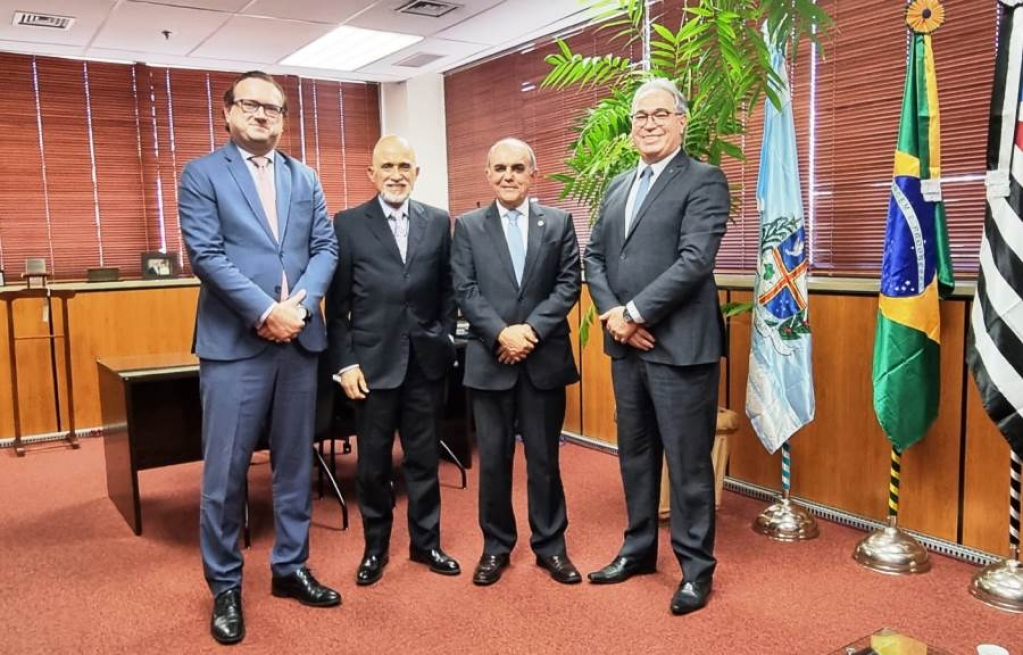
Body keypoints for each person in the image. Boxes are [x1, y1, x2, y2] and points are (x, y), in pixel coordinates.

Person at [179, 70, 341, 645]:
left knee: (295, 465)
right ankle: (225, 585)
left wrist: (302, 305)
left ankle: (290, 567)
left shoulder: (306, 177)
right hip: (235, 346)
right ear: (227, 113)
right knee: (224, 475)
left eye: (274, 108)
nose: (263, 115)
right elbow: (206, 254)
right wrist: (262, 311)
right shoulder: (202, 174)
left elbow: (325, 246)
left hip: (298, 342)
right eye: (251, 104)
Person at [583, 78, 730, 616]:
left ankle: (696, 570)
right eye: (639, 116)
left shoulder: (705, 180)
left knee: (688, 465)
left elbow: (695, 261)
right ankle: (639, 550)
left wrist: (636, 313)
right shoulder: (619, 184)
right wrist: (616, 317)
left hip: (680, 349)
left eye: (659, 114)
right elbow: (593, 257)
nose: (647, 124)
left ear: (681, 121)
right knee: (636, 455)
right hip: (627, 347)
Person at [326, 135, 460, 586]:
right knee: (374, 466)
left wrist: (441, 335)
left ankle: (427, 544)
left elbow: (447, 291)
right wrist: (345, 364)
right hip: (371, 368)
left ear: (417, 173)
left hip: (425, 365)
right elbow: (337, 305)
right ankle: (375, 549)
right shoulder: (347, 224)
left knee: (424, 461)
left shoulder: (439, 222)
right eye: (387, 166)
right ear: (372, 173)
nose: (397, 174)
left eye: (405, 165)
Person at [451, 138, 582, 586]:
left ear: (534, 174)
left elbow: (568, 284)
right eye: (500, 168)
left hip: (542, 358)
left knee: (545, 459)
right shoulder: (467, 226)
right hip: (491, 361)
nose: (509, 176)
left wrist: (530, 331)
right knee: (494, 460)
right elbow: (464, 289)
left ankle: (551, 547)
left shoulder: (559, 222)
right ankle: (495, 547)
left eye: (518, 168)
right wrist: (500, 332)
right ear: (488, 175)